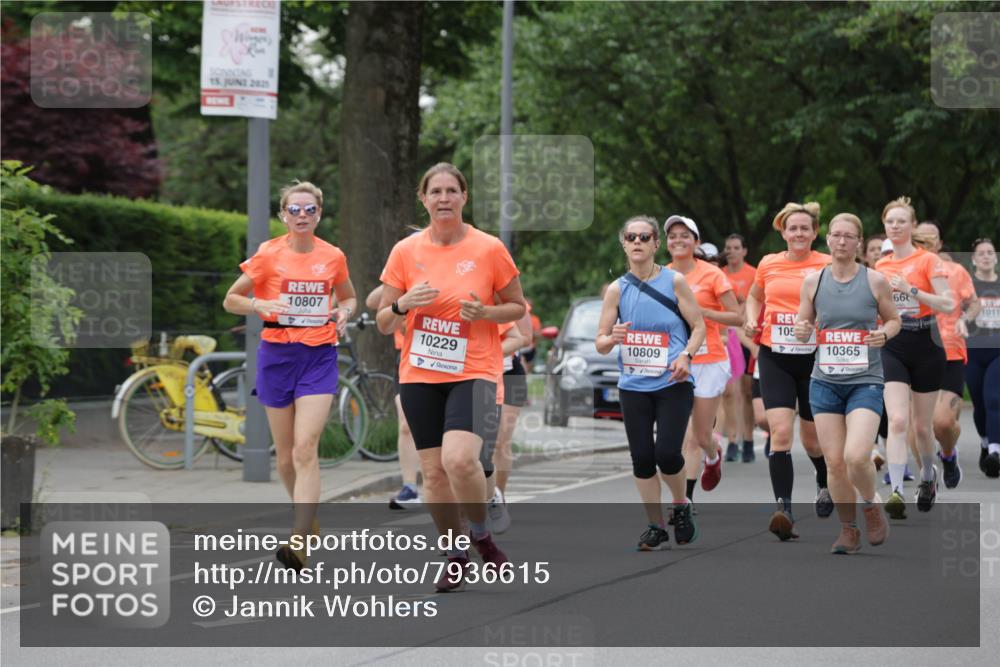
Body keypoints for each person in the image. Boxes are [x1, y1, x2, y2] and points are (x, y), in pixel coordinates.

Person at [376, 162, 526, 593]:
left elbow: (517, 307)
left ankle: (481, 534)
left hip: (475, 369)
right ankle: (455, 553)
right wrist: (403, 304)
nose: (443, 198)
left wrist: (487, 313)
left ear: (464, 197)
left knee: (459, 460)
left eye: (451, 191)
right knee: (435, 475)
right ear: (423, 199)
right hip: (421, 373)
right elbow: (385, 321)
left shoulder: (489, 248)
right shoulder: (405, 251)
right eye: (435, 191)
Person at [223, 180, 357, 570]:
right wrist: (260, 302)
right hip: (277, 355)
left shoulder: (333, 256)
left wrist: (344, 312)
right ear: (283, 214)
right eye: (294, 210)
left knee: (305, 448)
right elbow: (230, 299)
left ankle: (298, 541)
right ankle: (307, 517)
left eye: (309, 210)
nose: (302, 216)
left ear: (319, 214)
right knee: (284, 459)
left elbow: (348, 295)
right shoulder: (268, 255)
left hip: (318, 355)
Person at [596, 215, 706, 550]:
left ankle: (680, 504)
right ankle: (655, 525)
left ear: (656, 244)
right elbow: (600, 343)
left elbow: (699, 327)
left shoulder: (674, 282)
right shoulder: (617, 289)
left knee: (667, 453)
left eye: (645, 237)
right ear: (624, 242)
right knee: (642, 458)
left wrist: (686, 354)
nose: (638, 242)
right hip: (633, 385)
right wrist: (611, 338)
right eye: (632, 237)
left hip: (673, 380)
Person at [793, 213, 900, 554]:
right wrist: (801, 329)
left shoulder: (875, 281)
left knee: (856, 456)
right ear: (828, 240)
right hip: (823, 381)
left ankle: (870, 504)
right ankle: (848, 530)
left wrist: (884, 333)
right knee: (834, 463)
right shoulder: (813, 281)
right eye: (836, 235)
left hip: (864, 380)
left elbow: (894, 320)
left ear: (858, 241)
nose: (841, 241)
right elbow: (803, 320)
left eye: (848, 236)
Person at [744, 201, 833, 541]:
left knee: (812, 439)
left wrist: (816, 324)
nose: (798, 233)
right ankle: (785, 510)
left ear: (814, 233)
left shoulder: (827, 264)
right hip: (775, 355)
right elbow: (754, 296)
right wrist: (752, 316)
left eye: (804, 228)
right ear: (783, 231)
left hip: (815, 358)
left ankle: (824, 482)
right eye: (792, 228)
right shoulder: (768, 263)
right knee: (780, 433)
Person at [875, 197, 954, 519]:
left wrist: (912, 291)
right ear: (884, 226)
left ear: (911, 226)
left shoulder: (928, 261)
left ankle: (927, 477)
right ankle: (895, 490)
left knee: (922, 427)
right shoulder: (880, 266)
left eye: (901, 221)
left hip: (926, 341)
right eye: (890, 222)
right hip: (893, 342)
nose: (895, 226)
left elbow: (948, 304)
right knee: (896, 420)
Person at [665, 216, 744, 504]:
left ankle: (713, 456)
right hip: (675, 361)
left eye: (684, 235)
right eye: (672, 236)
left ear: (696, 242)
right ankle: (684, 501)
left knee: (700, 435)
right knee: (685, 436)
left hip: (709, 359)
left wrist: (703, 314)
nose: (678, 240)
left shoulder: (712, 275)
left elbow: (737, 317)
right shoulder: (660, 275)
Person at [914, 222, 978, 489]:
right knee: (917, 426)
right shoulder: (905, 271)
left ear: (940, 244)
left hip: (950, 351)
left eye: (933, 239)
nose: (927, 242)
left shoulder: (956, 270)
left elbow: (973, 303)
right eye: (922, 239)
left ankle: (949, 456)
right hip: (915, 353)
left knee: (942, 423)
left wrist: (965, 319)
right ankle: (927, 480)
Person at [367, 284, 422, 510]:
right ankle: (409, 487)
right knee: (406, 425)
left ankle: (443, 486)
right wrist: (398, 280)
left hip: (442, 356)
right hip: (407, 357)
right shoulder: (404, 277)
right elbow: (371, 301)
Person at [488, 309, 534, 533]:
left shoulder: (514, 303)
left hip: (508, 375)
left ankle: (498, 497)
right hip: (475, 375)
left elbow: (526, 337)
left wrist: (491, 349)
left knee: (499, 442)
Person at [721, 233, 758, 463]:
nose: (732, 252)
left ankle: (749, 440)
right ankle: (732, 441)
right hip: (726, 336)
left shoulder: (753, 274)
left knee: (746, 392)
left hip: (747, 336)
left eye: (736, 247)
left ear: (744, 251)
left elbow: (751, 308)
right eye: (728, 248)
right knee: (729, 392)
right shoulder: (720, 274)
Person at [966, 238, 1000, 478]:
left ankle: (996, 452)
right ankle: (986, 442)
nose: (987, 256)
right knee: (978, 402)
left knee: (994, 398)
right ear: (974, 259)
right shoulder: (967, 286)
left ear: (996, 258)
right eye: (982, 253)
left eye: (991, 252)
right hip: (973, 351)